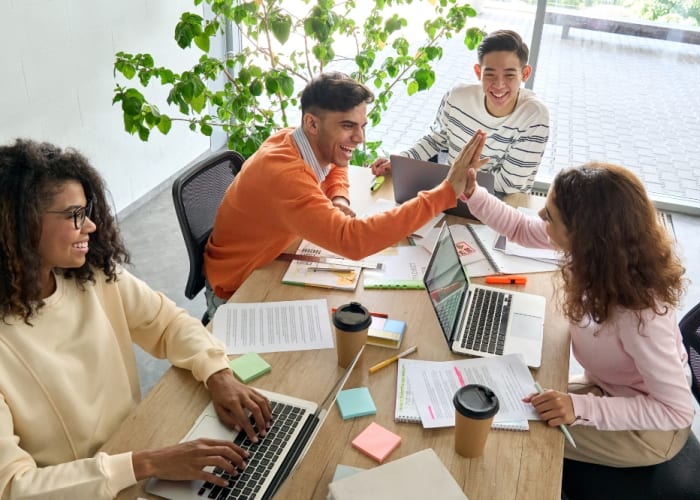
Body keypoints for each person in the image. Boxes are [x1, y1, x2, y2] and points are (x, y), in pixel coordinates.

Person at [0, 139, 274, 498]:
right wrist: (146, 464)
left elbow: (168, 323)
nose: (92, 226)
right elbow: (13, 487)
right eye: (75, 215)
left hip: (135, 451)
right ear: (20, 224)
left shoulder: (93, 275)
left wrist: (217, 373)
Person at [462, 160, 693, 467]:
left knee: (508, 431)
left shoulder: (641, 316)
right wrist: (472, 193)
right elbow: (520, 227)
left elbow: (675, 410)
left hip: (649, 430)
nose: (541, 216)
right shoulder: (599, 255)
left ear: (583, 235)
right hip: (607, 390)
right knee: (504, 402)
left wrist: (579, 407)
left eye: (550, 215)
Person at [204, 71, 487, 316]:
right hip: (237, 289)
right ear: (312, 124)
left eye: (362, 125)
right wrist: (445, 192)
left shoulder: (295, 139)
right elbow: (353, 241)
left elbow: (335, 164)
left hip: (272, 259)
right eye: (348, 126)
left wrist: (338, 198)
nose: (360, 138)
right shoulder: (284, 175)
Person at [369, 29, 550, 195]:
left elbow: (510, 185)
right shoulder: (457, 97)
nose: (499, 84)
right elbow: (435, 139)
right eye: (490, 74)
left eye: (510, 75)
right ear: (478, 72)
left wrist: (455, 178)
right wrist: (401, 161)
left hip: (500, 205)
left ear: (525, 74)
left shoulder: (534, 116)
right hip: (452, 196)